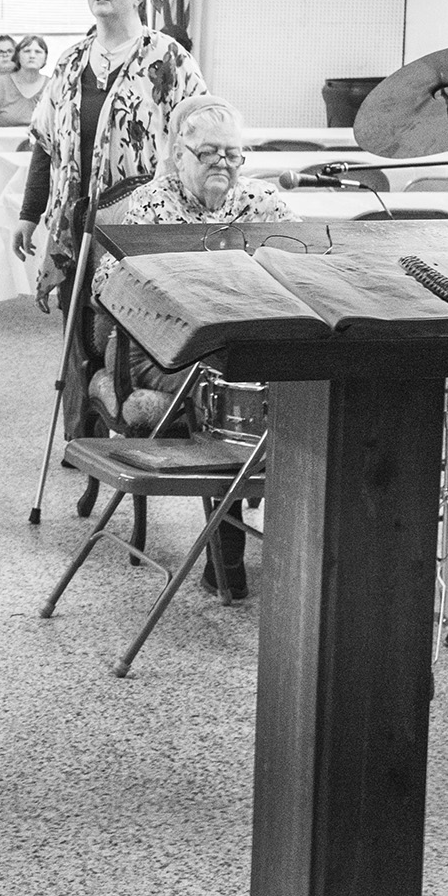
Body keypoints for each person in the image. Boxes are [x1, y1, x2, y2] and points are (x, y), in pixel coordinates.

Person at [92, 94, 290, 597]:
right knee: (225, 390)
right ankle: (226, 561)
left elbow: (305, 269)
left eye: (233, 153)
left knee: (294, 385)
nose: (223, 163)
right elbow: (106, 291)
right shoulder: (149, 206)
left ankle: (302, 542)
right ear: (178, 154)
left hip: (242, 341)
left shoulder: (264, 203)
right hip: (154, 346)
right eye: (208, 153)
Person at [15, 0, 207, 311]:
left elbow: (201, 140)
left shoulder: (169, 57)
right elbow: (45, 145)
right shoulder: (70, 62)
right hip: (75, 220)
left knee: (134, 323)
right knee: (77, 328)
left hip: (141, 222)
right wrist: (28, 214)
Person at [0, 33, 49, 128]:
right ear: (17, 56)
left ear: (45, 58)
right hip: (4, 142)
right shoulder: (0, 84)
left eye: (38, 52)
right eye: (27, 51)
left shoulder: (53, 86)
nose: (32, 56)